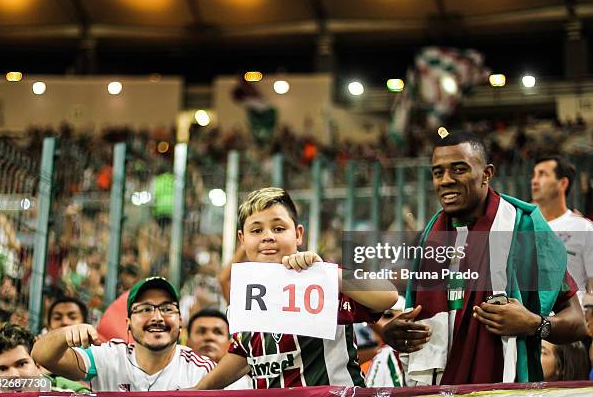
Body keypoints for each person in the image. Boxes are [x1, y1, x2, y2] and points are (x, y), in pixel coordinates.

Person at [382, 130, 586, 385]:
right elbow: (417, 325)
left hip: (507, 385)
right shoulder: (429, 239)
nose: (445, 180)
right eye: (438, 172)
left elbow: (577, 323)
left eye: (459, 169)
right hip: (439, 388)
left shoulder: (523, 229)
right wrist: (393, 336)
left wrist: (534, 324)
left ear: (487, 174)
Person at [196, 187, 397, 389]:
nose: (268, 237)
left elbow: (388, 296)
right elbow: (242, 353)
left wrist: (327, 272)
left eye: (279, 228)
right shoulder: (248, 293)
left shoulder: (321, 279)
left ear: (298, 234)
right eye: (257, 230)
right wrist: (196, 391)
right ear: (242, 239)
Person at [32, 276, 214, 391]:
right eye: (145, 309)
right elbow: (41, 355)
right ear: (128, 323)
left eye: (167, 309)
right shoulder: (107, 357)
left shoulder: (202, 371)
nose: (157, 317)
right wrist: (65, 334)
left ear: (180, 320)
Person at [531, 155, 593, 298]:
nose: (534, 181)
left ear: (563, 183)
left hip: (574, 317)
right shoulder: (522, 226)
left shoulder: (584, 228)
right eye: (534, 175)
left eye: (542, 174)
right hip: (531, 318)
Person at [0, 323, 89, 392]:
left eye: (21, 364)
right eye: (2, 369)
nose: (13, 376)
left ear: (38, 365)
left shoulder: (73, 393)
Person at [186, 309, 252, 389]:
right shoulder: (176, 375)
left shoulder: (246, 385)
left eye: (218, 332)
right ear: (187, 342)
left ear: (231, 343)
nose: (209, 337)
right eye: (201, 331)